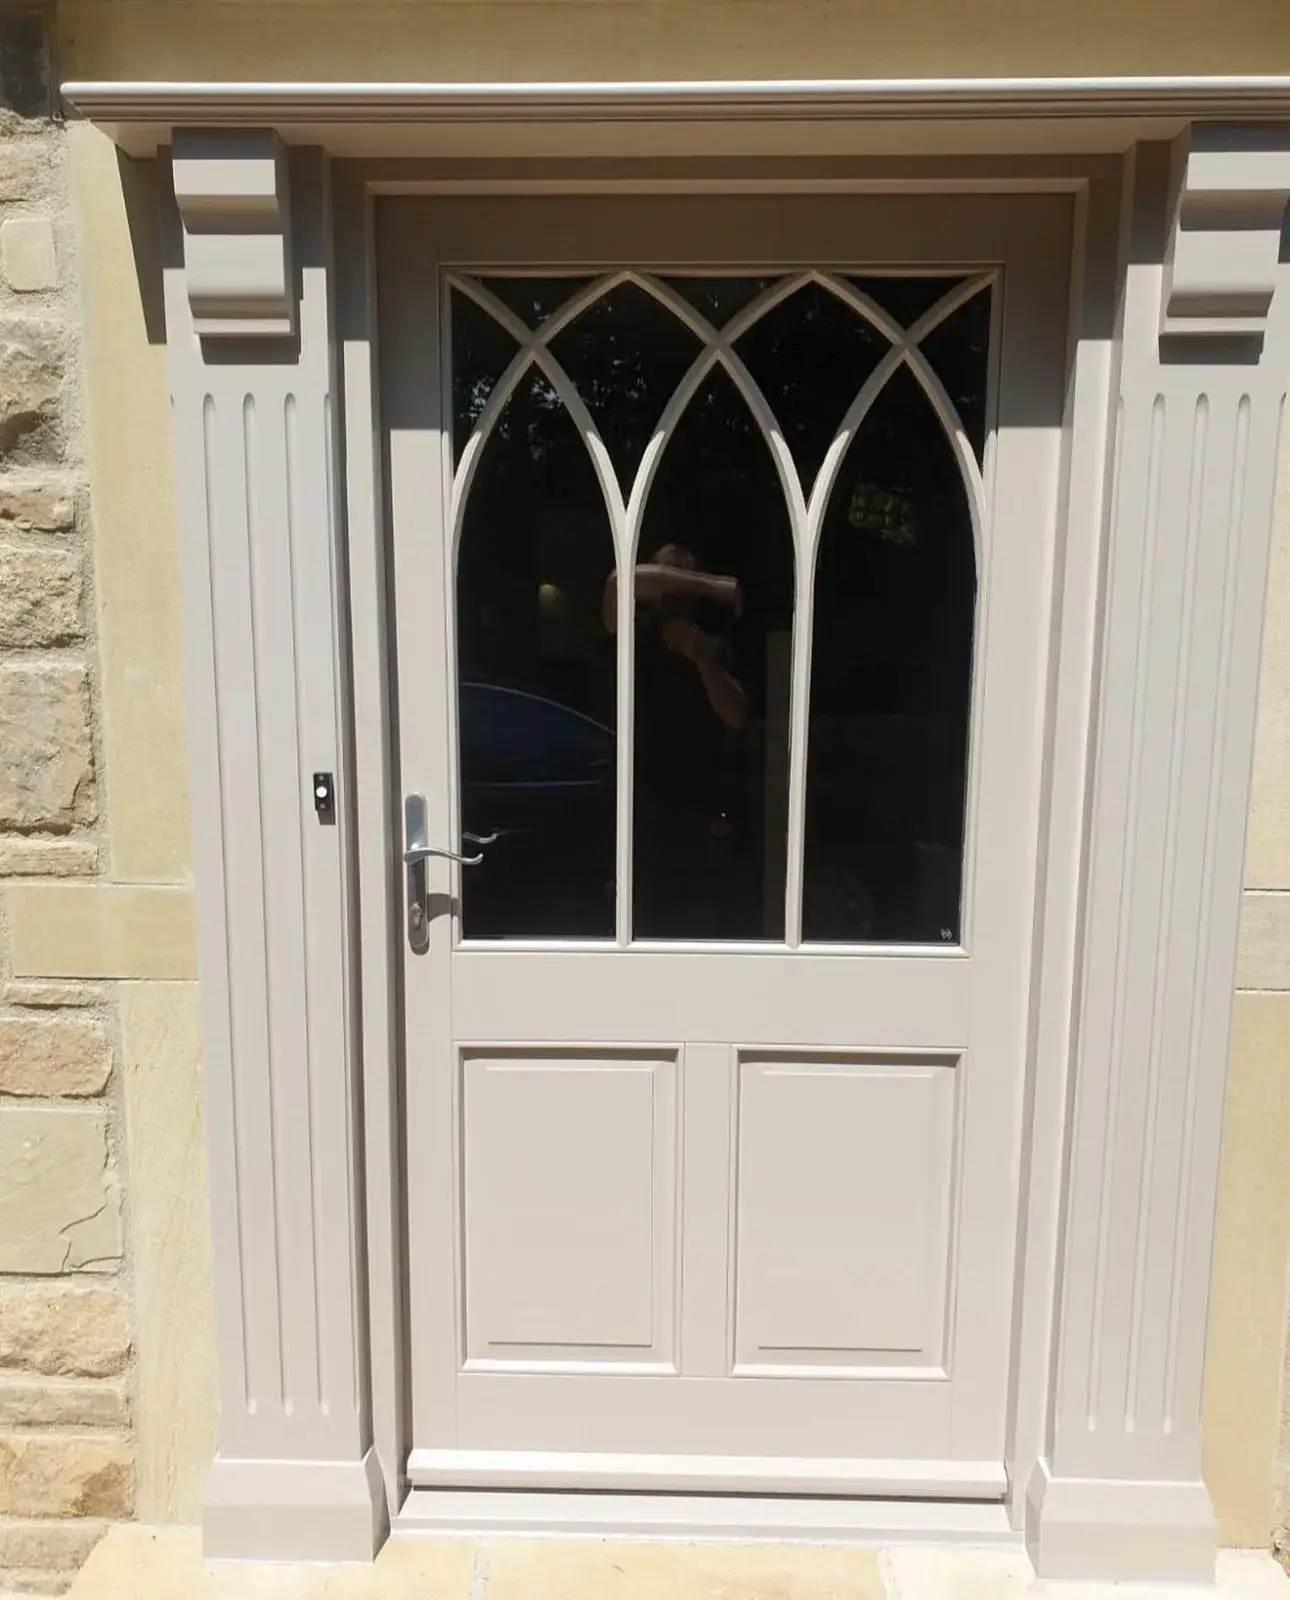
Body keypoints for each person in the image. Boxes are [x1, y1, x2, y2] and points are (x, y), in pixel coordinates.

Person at [602, 542, 747, 937]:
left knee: (700, 938)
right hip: (641, 823)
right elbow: (619, 581)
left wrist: (701, 657)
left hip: (701, 824)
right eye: (668, 590)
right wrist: (715, 586)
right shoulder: (634, 634)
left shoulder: (712, 644)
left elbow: (736, 715)